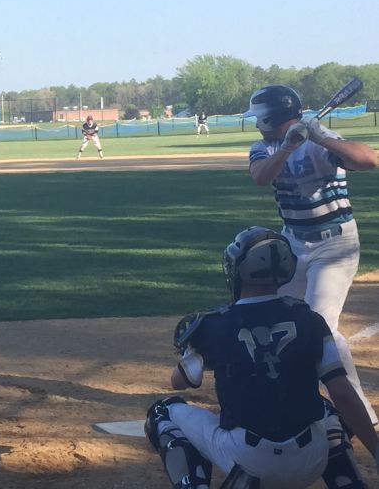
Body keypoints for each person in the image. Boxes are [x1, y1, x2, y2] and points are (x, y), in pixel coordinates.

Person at [145, 226, 379, 489]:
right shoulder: (310, 319)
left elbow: (179, 382)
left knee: (162, 412)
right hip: (311, 460)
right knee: (327, 409)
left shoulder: (212, 325)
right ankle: (348, 483)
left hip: (250, 463)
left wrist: (192, 353)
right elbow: (344, 394)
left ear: (240, 271)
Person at [243, 84, 379, 425]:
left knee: (321, 325)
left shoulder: (322, 142)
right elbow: (261, 177)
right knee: (281, 318)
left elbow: (370, 160)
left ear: (270, 116)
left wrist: (319, 137)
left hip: (335, 245)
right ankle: (289, 395)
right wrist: (288, 147)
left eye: (259, 117)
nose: (256, 124)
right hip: (294, 244)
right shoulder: (262, 147)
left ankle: (359, 412)